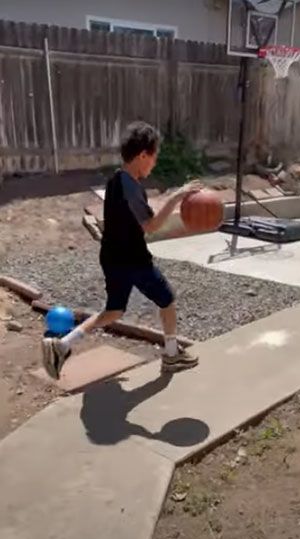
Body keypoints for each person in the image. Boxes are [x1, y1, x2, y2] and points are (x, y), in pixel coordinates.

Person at [42, 121, 201, 379]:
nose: (154, 164)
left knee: (114, 311)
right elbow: (151, 226)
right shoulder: (130, 185)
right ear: (142, 156)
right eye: (154, 158)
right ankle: (172, 355)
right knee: (167, 300)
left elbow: (128, 221)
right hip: (133, 259)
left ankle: (61, 345)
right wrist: (177, 196)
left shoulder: (115, 179)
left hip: (112, 256)